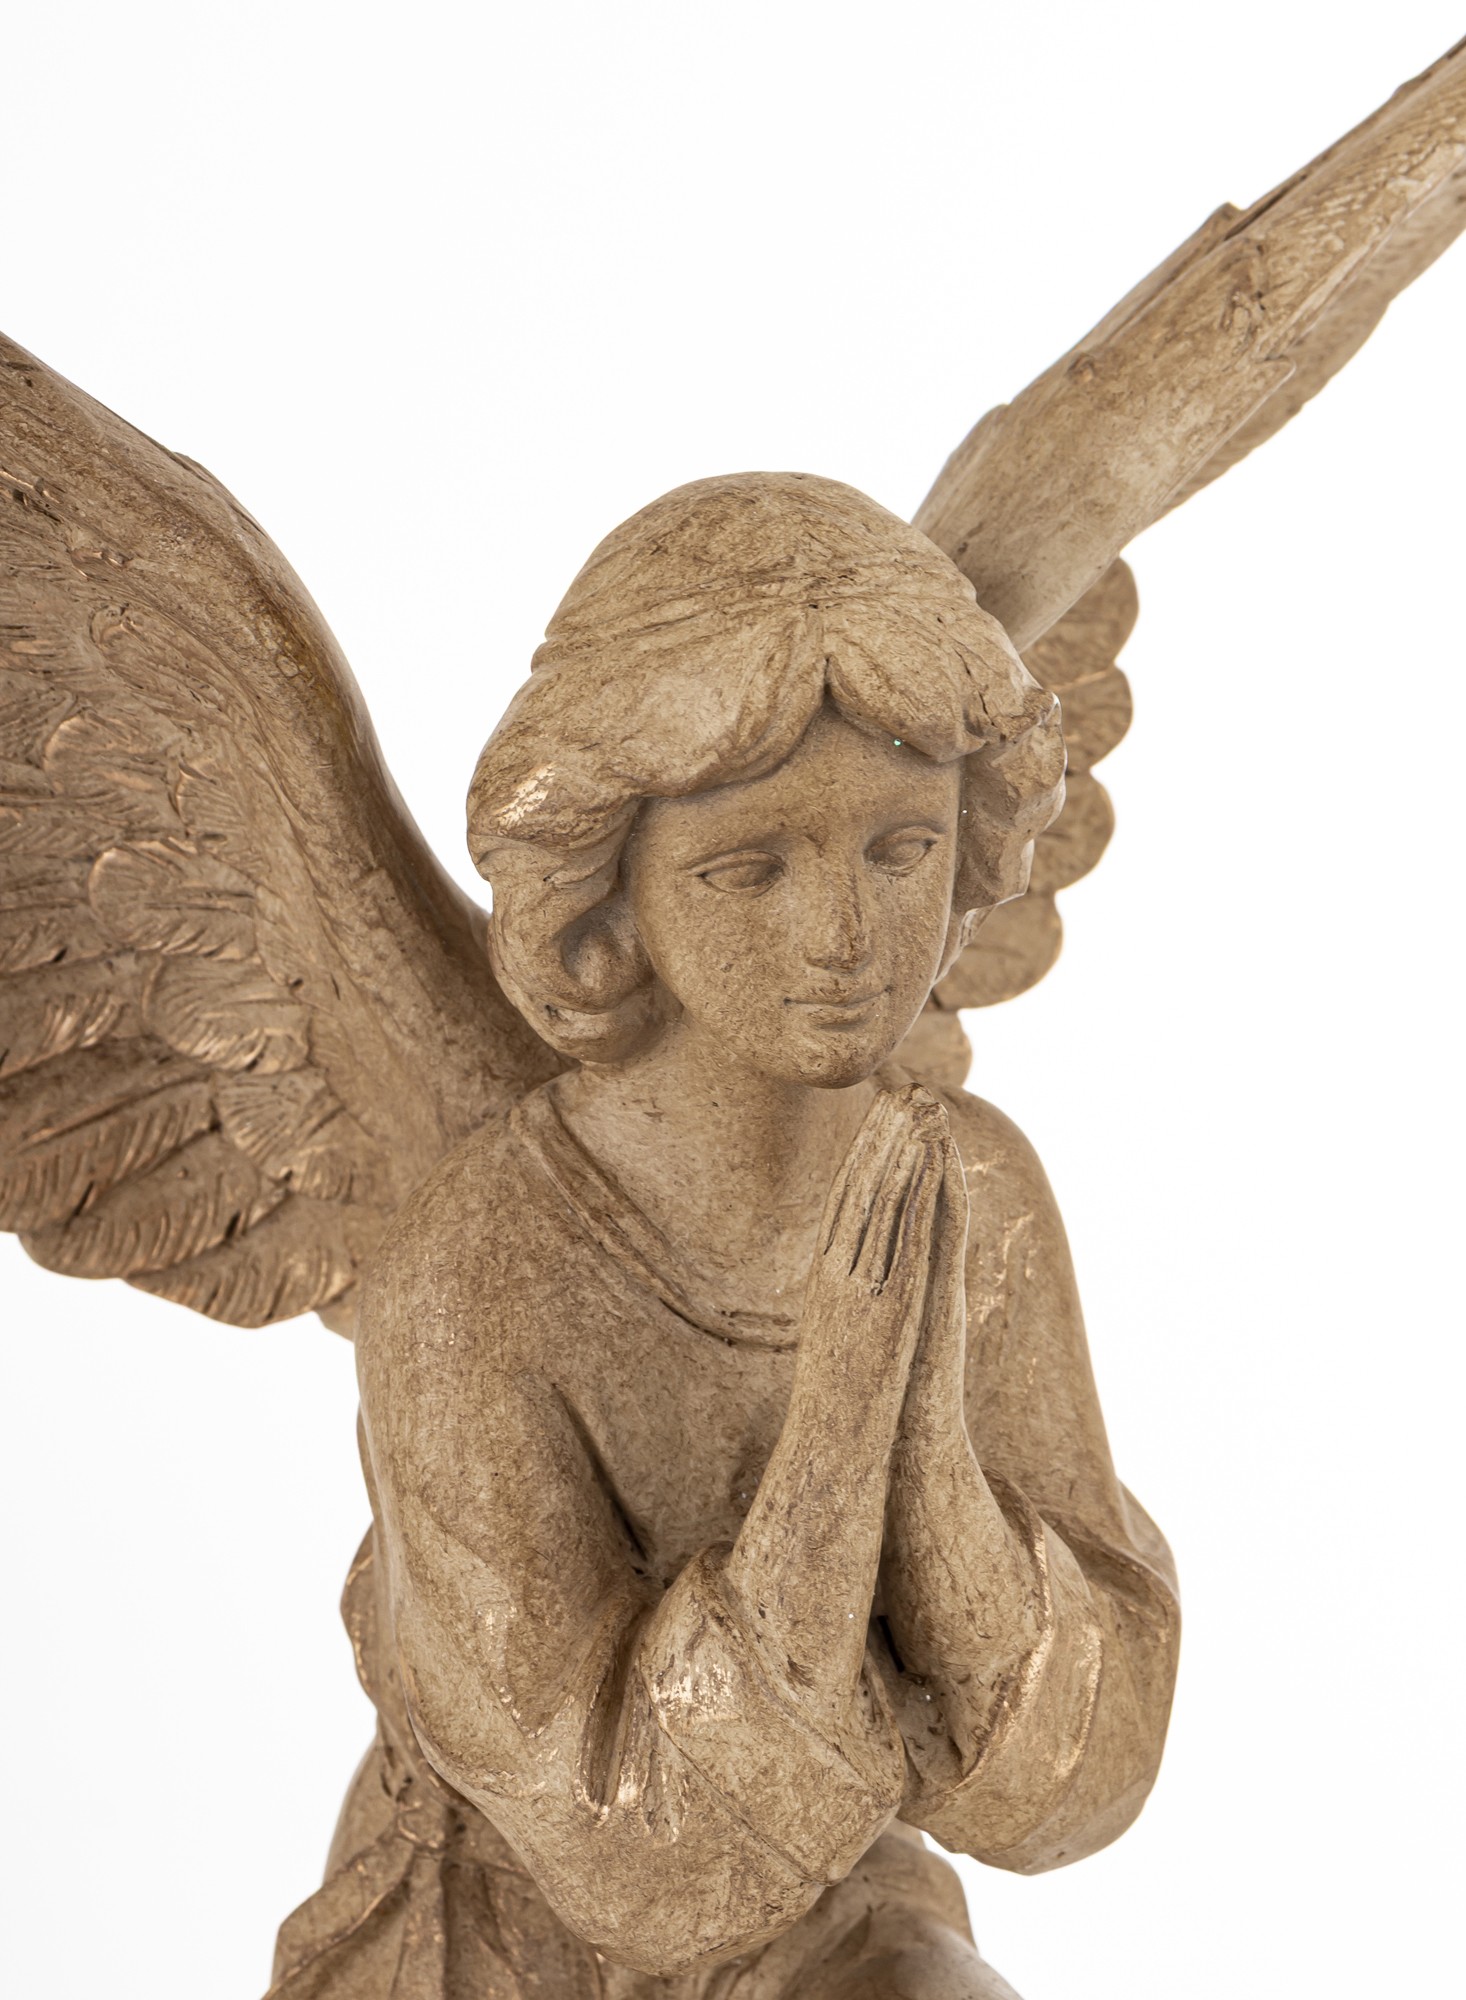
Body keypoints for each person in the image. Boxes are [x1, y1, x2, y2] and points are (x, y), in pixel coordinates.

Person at [268, 473, 1179, 1998]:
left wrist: (922, 1452)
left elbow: (1075, 1780)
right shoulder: (478, 1266)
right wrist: (840, 1417)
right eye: (747, 868)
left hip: (837, 1901)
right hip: (503, 1937)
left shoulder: (973, 1183)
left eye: (899, 850)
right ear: (607, 895)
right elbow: (629, 1850)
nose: (841, 936)